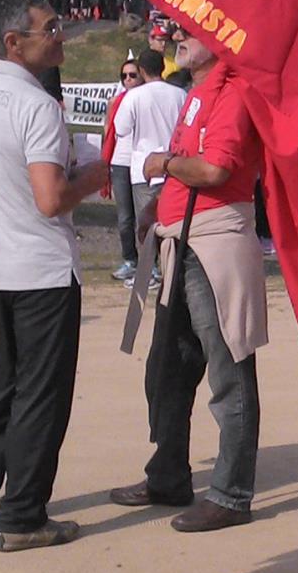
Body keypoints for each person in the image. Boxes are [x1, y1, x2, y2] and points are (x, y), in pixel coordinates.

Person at [0, 0, 107, 552]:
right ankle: (21, 514)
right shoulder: (35, 105)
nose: (60, 37)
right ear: (14, 41)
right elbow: (50, 198)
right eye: (51, 29)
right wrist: (95, 174)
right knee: (41, 392)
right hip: (40, 267)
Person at [111, 26, 268, 532]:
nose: (177, 35)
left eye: (190, 29)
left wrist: (162, 163)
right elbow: (196, 167)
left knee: (228, 371)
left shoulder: (233, 92)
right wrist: (159, 203)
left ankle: (231, 494)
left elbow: (215, 171)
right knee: (167, 369)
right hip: (184, 241)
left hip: (213, 242)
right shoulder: (199, 92)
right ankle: (168, 475)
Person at [111, 50, 187, 279]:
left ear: (142, 71)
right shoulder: (180, 94)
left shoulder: (134, 96)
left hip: (143, 168)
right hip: (174, 164)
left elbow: (121, 128)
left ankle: (150, 268)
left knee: (146, 222)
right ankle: (173, 265)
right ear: (163, 67)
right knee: (173, 219)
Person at [104, 58, 146, 282]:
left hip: (142, 162)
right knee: (124, 218)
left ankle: (151, 263)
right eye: (124, 76)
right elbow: (110, 129)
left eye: (132, 75)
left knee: (145, 216)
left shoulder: (147, 97)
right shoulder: (116, 101)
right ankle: (130, 260)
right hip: (120, 161)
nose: (128, 79)